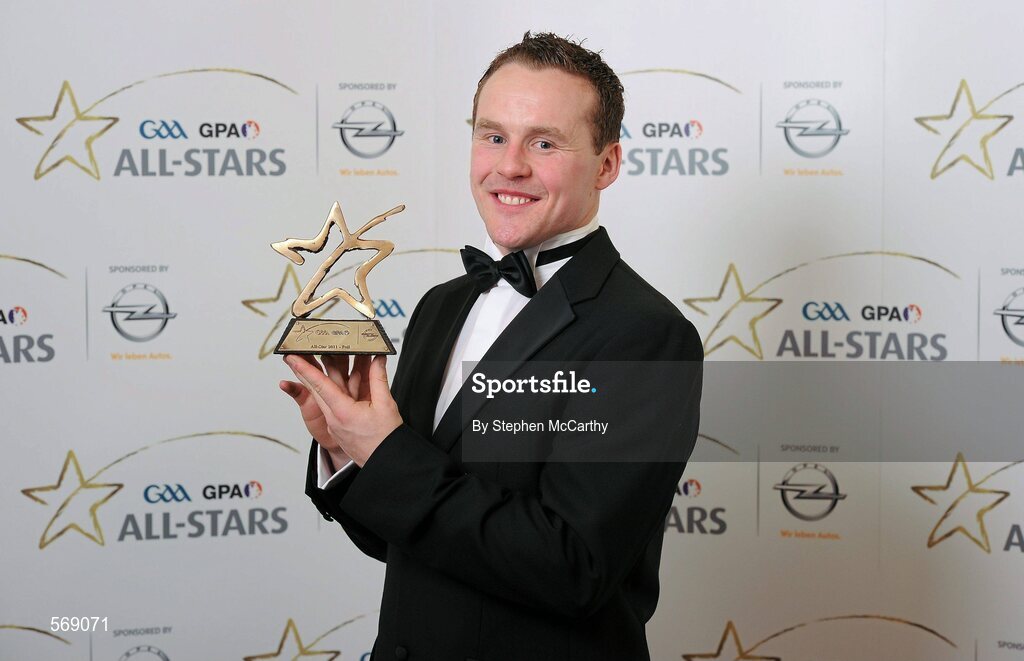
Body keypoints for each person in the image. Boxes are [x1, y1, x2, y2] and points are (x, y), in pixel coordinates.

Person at [281, 32, 703, 661]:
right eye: (493, 136)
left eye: (545, 142)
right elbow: (402, 536)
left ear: (607, 164)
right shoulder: (441, 305)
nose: (510, 167)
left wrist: (388, 453)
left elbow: (574, 569)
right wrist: (347, 449)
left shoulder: (645, 335)